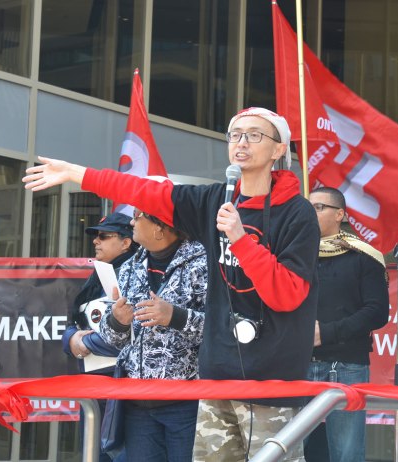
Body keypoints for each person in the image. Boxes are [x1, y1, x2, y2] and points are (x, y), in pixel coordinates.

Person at [23, 107, 320, 461]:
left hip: (272, 381)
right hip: (216, 377)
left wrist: (240, 239)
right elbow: (145, 191)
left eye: (255, 135)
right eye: (235, 134)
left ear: (278, 149)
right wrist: (77, 174)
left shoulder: (298, 213)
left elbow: (287, 295)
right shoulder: (215, 199)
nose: (242, 142)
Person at [99, 203, 207, 462]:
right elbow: (111, 338)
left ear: (160, 226)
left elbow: (224, 330)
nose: (132, 223)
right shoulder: (129, 267)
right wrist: (117, 321)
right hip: (138, 403)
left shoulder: (204, 264)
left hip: (188, 403)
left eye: (137, 216)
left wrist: (175, 317)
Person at [303, 187, 389, 462]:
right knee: (294, 450)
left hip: (346, 365)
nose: (310, 212)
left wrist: (325, 333)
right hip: (297, 363)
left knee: (346, 453)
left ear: (339, 214)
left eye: (318, 207)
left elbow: (377, 313)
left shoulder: (364, 255)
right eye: (307, 207)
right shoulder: (295, 253)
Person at [61, 212, 137, 462]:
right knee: (95, 454)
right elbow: (75, 321)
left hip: (123, 384)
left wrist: (84, 342)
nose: (96, 241)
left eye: (104, 236)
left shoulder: (135, 272)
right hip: (95, 384)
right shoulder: (101, 273)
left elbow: (135, 334)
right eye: (96, 236)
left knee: (119, 454)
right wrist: (72, 339)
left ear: (127, 242)